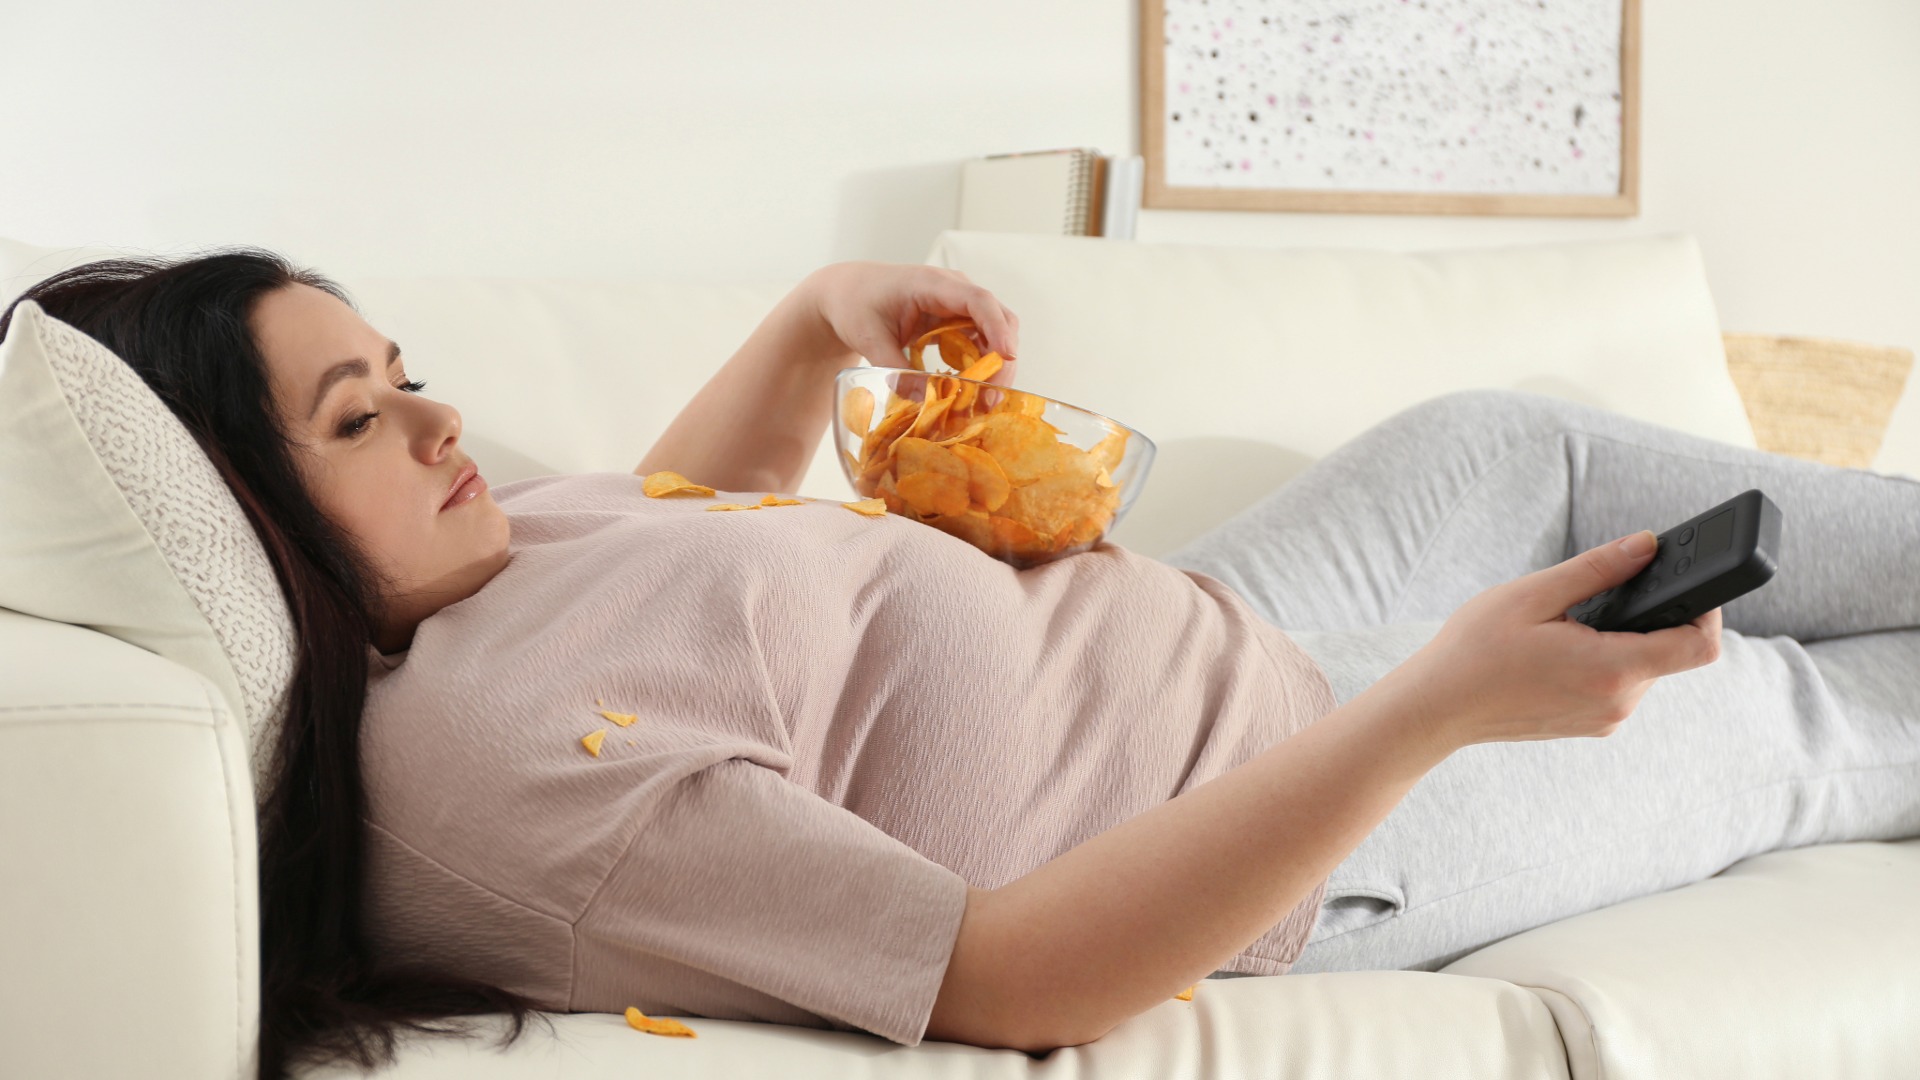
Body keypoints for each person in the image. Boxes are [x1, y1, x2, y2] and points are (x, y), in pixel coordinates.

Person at [4, 249, 1915, 1080]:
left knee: (1502, 444)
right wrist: (1438, 712)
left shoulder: (463, 562)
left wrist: (809, 330)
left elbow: (680, 535)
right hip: (1289, 812)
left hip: (1203, 616)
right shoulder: (503, 792)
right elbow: (1007, 980)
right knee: (1813, 710)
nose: (437, 421)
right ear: (244, 519)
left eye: (403, 371)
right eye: (358, 418)